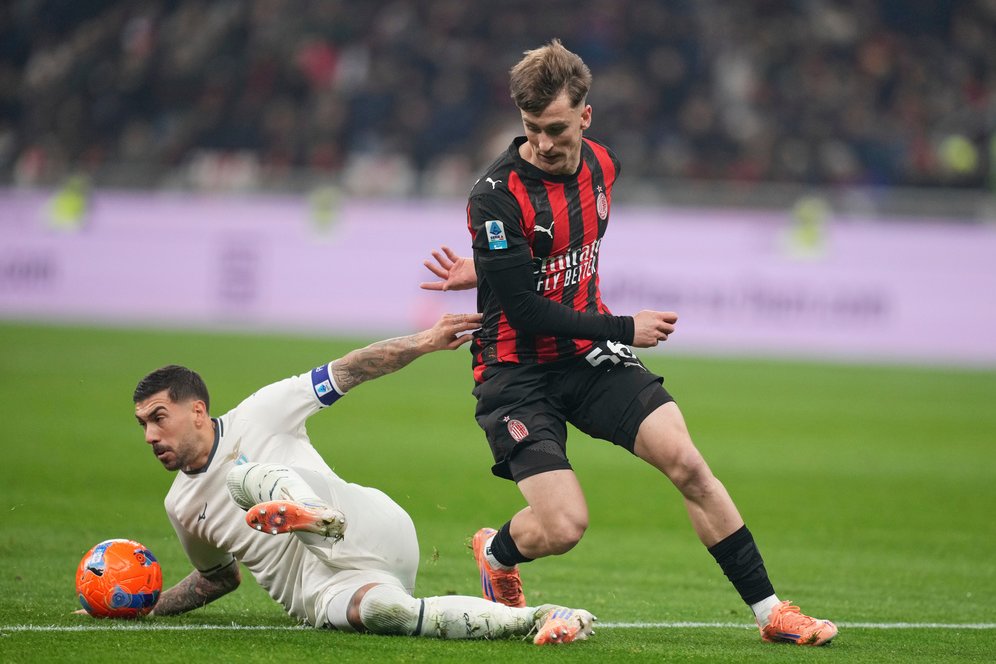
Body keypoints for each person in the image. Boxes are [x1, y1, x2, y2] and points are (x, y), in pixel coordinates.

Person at [420, 39, 837, 647]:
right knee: (564, 527)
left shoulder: (603, 167)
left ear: (585, 117)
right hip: (516, 370)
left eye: (556, 127)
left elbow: (549, 258)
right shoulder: (495, 195)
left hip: (585, 356)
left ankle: (771, 611)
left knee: (688, 463)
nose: (542, 142)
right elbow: (527, 311)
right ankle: (498, 551)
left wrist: (492, 266)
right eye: (532, 128)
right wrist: (622, 327)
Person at [126, 312, 595, 645]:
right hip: (326, 591)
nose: (150, 435)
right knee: (388, 613)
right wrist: (142, 606)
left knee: (242, 477)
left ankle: (315, 515)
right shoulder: (181, 506)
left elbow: (348, 370)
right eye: (143, 424)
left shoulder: (261, 412)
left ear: (198, 411)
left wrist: (426, 340)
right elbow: (217, 579)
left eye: (159, 418)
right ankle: (539, 618)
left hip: (361, 522)